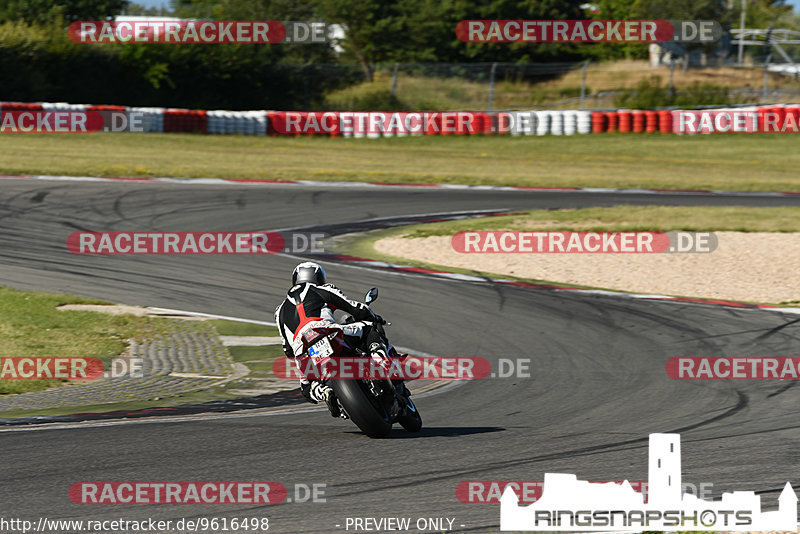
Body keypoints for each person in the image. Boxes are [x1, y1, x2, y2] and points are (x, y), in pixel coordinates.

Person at [274, 261, 391, 417]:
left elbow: (287, 349)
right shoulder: (322, 289)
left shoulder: (279, 311)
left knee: (307, 389)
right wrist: (373, 316)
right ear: (319, 277)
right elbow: (354, 307)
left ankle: (324, 392)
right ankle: (379, 359)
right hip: (326, 330)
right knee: (369, 326)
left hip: (301, 348)